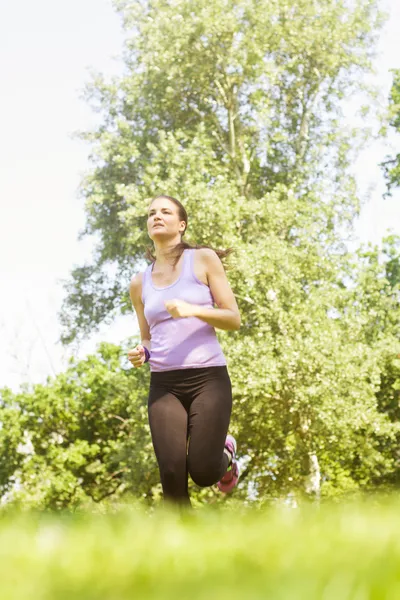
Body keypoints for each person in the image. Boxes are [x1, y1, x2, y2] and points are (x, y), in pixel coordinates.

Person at [128, 194, 241, 506]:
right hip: (164, 385)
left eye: (165, 211)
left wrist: (192, 310)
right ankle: (179, 550)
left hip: (209, 380)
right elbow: (148, 338)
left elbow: (233, 318)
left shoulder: (203, 260)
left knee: (204, 472)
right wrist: (142, 352)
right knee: (173, 482)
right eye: (151, 213)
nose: (156, 216)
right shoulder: (140, 283)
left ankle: (226, 455)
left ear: (181, 224)